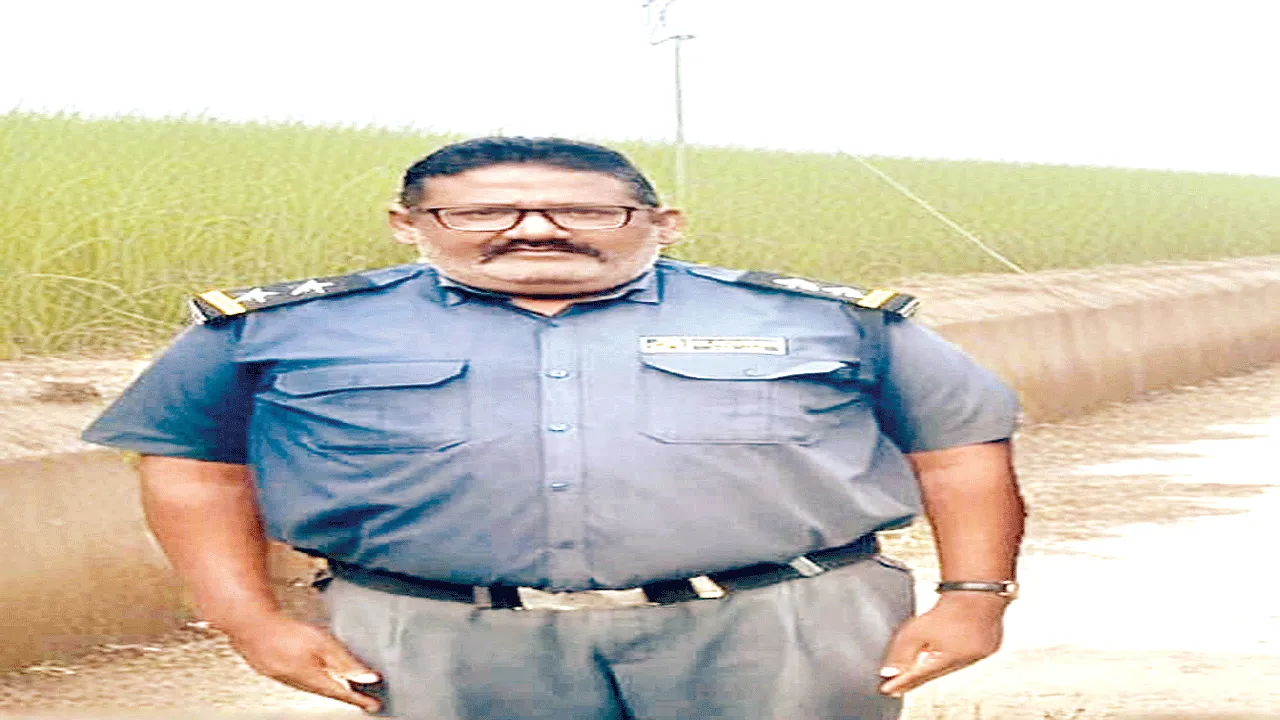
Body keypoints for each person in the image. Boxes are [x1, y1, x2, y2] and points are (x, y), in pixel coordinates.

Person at [83, 136, 1025, 720]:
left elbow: (961, 448)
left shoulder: (827, 321)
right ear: (409, 223)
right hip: (438, 638)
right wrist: (247, 620)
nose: (535, 230)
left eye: (583, 211)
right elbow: (192, 467)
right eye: (484, 212)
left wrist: (974, 597)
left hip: (783, 627)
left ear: (662, 221)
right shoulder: (277, 330)